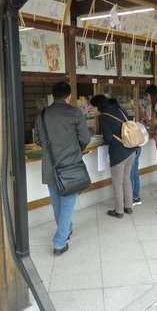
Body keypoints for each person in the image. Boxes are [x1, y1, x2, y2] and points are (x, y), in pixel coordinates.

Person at [34, 82, 91, 255]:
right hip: (70, 167)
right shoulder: (75, 113)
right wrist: (75, 150)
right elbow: (85, 138)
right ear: (69, 96)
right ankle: (59, 242)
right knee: (67, 204)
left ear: (52, 96)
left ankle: (67, 228)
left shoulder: (42, 115)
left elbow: (37, 140)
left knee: (57, 203)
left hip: (50, 166)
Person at [90, 95, 136, 218]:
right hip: (131, 150)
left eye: (92, 107)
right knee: (126, 180)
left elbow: (108, 138)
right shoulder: (120, 110)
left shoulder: (103, 117)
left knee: (117, 183)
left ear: (96, 106)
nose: (92, 110)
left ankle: (119, 211)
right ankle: (128, 207)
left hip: (119, 153)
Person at [108, 98, 146, 206]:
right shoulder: (124, 114)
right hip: (135, 146)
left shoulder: (112, 118)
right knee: (132, 173)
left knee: (127, 177)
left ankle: (130, 201)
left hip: (127, 149)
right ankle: (135, 197)